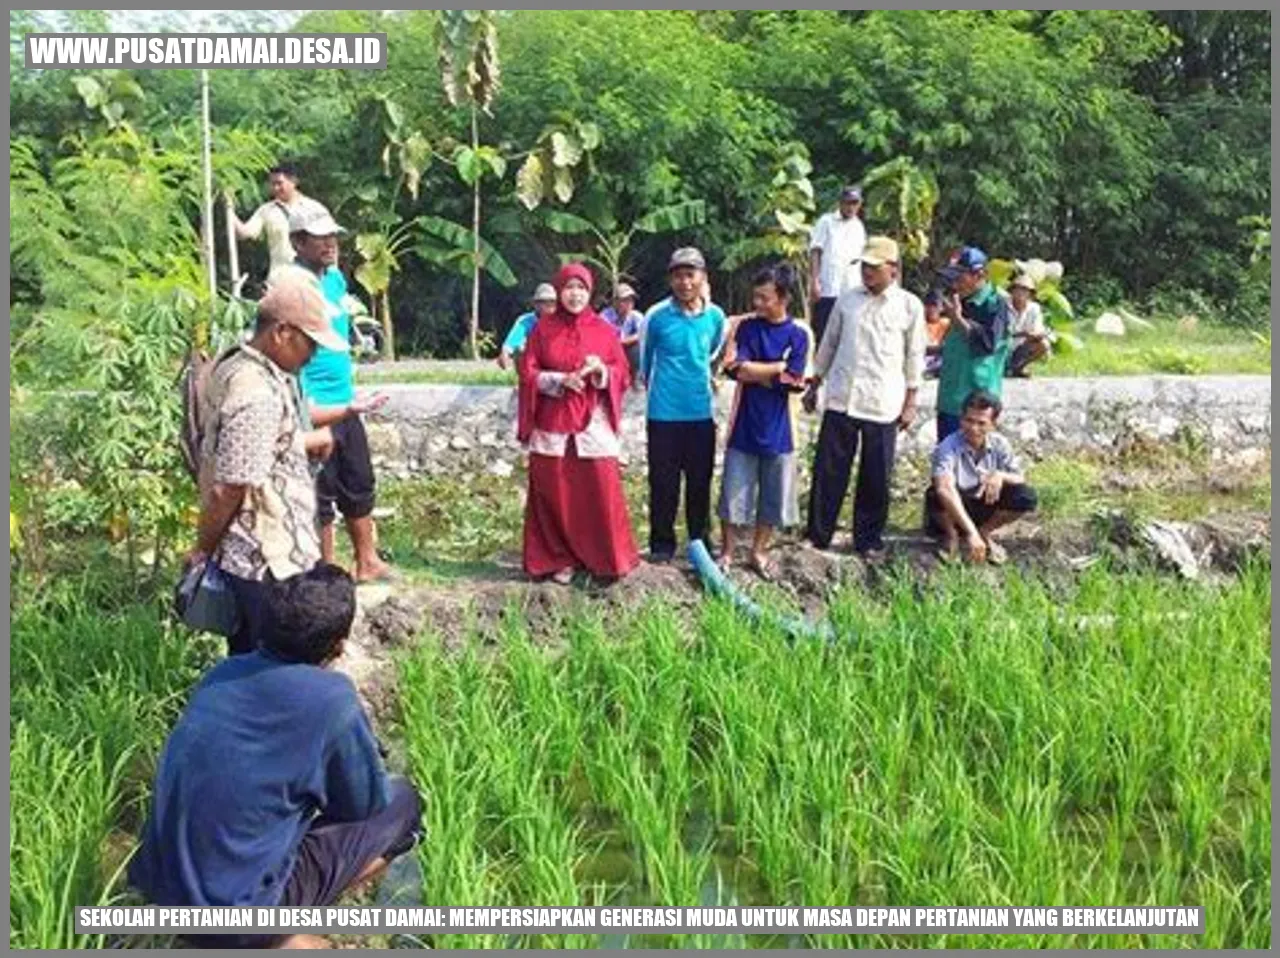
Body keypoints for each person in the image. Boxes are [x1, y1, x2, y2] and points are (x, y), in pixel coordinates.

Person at [129, 564, 425, 949]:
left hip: (161, 889)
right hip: (235, 917)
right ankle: (283, 933)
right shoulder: (333, 699)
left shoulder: (223, 674)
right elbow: (362, 805)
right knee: (404, 804)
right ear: (339, 643)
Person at [189, 273, 346, 656]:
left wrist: (300, 444)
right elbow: (231, 487)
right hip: (264, 563)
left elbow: (250, 447)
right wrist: (202, 550)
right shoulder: (255, 392)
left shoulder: (238, 365)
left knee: (255, 663)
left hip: (255, 560)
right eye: (309, 343)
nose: (313, 355)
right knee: (271, 666)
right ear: (281, 333)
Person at [288, 207, 394, 584]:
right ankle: (325, 571)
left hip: (347, 400)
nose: (331, 243)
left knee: (359, 480)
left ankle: (367, 561)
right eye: (320, 237)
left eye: (334, 235)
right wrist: (304, 407)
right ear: (298, 242)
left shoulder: (333, 279)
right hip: (313, 405)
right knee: (319, 493)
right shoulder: (290, 286)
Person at [803, 236, 925, 559]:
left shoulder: (909, 306)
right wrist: (814, 383)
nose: (867, 273)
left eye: (874, 268)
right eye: (865, 267)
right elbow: (828, 343)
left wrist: (911, 401)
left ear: (893, 270)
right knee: (829, 470)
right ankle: (818, 535)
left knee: (876, 475)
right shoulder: (847, 300)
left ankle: (867, 540)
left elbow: (915, 357)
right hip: (843, 396)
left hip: (883, 401)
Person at [517, 263, 639, 583]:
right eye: (569, 288)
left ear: (589, 292)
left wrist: (600, 372)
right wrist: (557, 380)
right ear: (559, 291)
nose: (575, 294)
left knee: (600, 488)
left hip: (592, 423)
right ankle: (558, 559)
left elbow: (622, 373)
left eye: (581, 288)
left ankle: (604, 558)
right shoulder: (542, 330)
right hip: (553, 422)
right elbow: (527, 372)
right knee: (553, 490)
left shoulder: (604, 331)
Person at [718, 263, 811, 579]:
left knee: (773, 497)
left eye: (764, 298)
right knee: (732, 493)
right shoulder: (746, 328)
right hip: (743, 424)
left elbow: (794, 380)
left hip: (780, 429)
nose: (757, 304)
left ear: (783, 298)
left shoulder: (798, 335)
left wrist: (759, 372)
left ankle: (759, 550)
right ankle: (728, 552)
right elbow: (736, 369)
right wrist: (775, 368)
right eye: (755, 297)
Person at [638, 248, 727, 562]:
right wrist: (659, 393)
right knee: (663, 483)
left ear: (703, 277)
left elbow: (714, 352)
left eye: (691, 275)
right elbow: (645, 363)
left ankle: (699, 543)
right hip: (663, 414)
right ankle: (662, 545)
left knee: (700, 482)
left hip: (701, 414)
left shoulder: (715, 317)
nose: (684, 282)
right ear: (670, 279)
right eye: (678, 275)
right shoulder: (656, 316)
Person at [926, 389, 1038, 565]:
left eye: (981, 423)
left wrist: (1000, 475)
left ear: (992, 424)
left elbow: (1020, 478)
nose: (973, 428)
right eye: (969, 421)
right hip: (955, 507)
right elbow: (944, 488)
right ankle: (952, 536)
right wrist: (971, 533)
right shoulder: (948, 446)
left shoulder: (1000, 443)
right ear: (961, 419)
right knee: (935, 494)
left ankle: (985, 532)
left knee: (1025, 495)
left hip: (985, 504)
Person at [934, 245, 1011, 442]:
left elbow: (987, 344)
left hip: (977, 406)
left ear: (979, 275)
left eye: (961, 276)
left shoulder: (995, 304)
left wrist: (958, 319)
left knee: (975, 462)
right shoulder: (958, 300)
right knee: (946, 458)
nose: (956, 282)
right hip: (949, 399)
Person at [227, 162, 332, 282]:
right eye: (272, 184)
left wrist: (332, 271)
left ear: (293, 181)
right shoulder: (266, 210)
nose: (275, 188)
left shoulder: (315, 209)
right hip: (279, 279)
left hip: (311, 279)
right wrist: (229, 208)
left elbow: (330, 241)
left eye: (279, 183)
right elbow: (245, 233)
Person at [808, 185, 867, 347]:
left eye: (855, 203)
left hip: (851, 287)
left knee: (847, 333)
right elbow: (815, 251)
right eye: (848, 203)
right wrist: (814, 281)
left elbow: (861, 258)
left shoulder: (858, 227)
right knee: (824, 331)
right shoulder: (826, 221)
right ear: (840, 203)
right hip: (828, 287)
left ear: (860, 204)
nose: (851, 207)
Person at [498, 283, 558, 370]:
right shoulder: (525, 321)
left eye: (552, 302)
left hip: (556, 362)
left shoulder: (561, 320)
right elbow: (510, 345)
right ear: (536, 304)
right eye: (544, 302)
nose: (549, 305)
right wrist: (505, 355)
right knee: (520, 349)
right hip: (532, 362)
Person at [1005, 273, 1052, 377]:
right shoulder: (1003, 305)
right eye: (1018, 289)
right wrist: (1023, 333)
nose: (1021, 293)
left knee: (1044, 344)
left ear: (1030, 294)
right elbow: (1000, 331)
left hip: (1023, 346)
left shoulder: (1034, 308)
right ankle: (1005, 367)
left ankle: (1019, 367)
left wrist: (1037, 334)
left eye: (1025, 290)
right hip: (1004, 345)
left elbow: (1037, 329)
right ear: (1012, 291)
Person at [602, 283, 645, 379]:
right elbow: (604, 340)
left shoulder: (636, 316)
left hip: (626, 349)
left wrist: (623, 342)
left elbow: (643, 334)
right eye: (625, 300)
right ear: (615, 302)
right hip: (609, 351)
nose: (629, 303)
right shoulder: (605, 316)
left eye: (631, 300)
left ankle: (636, 378)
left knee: (639, 347)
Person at [922, 289, 949, 378]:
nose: (931, 309)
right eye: (928, 305)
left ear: (941, 308)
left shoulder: (946, 323)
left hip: (940, 365)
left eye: (934, 305)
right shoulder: (920, 324)